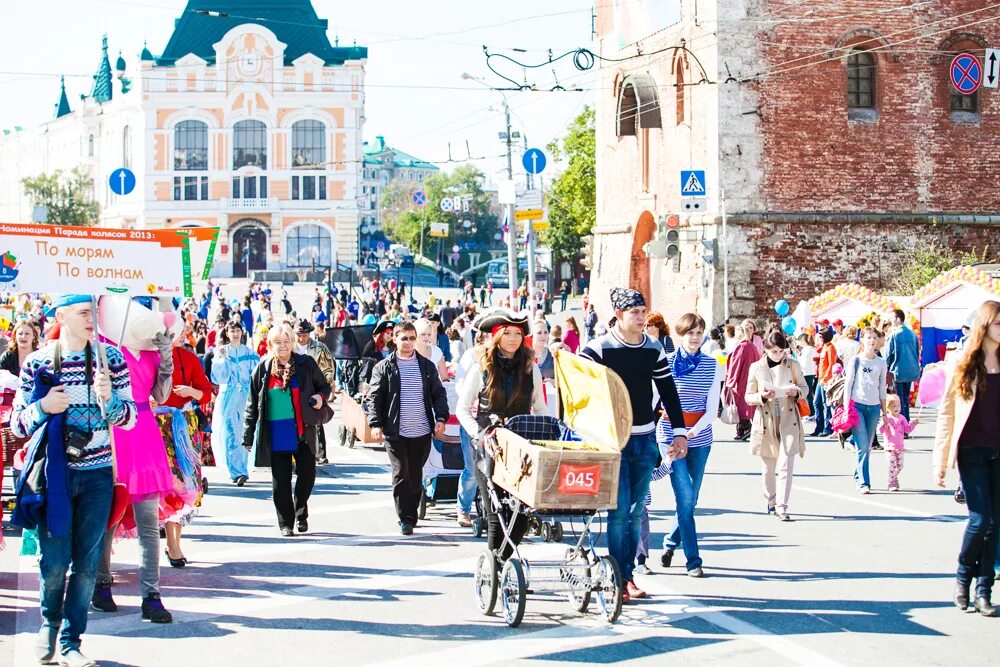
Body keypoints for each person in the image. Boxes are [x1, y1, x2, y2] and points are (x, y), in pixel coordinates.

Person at [10, 294, 137, 667]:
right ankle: (48, 625)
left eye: (94, 314)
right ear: (61, 316)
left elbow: (129, 418)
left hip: (98, 475)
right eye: (83, 313)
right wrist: (42, 407)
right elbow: (17, 423)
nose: (91, 320)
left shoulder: (111, 360)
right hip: (55, 477)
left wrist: (109, 401)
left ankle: (70, 640)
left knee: (86, 563)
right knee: (53, 562)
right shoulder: (37, 363)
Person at [580, 288, 688, 603]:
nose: (641, 318)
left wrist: (679, 431)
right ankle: (617, 577)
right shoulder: (598, 349)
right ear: (618, 314)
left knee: (637, 510)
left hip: (644, 439)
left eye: (643, 311)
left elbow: (668, 390)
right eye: (634, 313)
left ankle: (627, 576)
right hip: (613, 442)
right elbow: (582, 393)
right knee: (618, 512)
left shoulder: (653, 348)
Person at [456, 310, 546, 557]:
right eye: (507, 333)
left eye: (518, 334)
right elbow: (462, 409)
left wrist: (544, 438)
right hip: (489, 450)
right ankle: (496, 565)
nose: (513, 338)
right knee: (497, 515)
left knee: (521, 517)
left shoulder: (531, 369)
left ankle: (506, 563)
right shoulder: (481, 368)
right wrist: (479, 434)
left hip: (521, 450)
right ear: (496, 337)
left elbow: (540, 409)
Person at [933, 300, 1000, 616]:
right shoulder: (964, 363)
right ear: (984, 327)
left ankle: (984, 591)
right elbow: (946, 412)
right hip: (972, 451)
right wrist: (940, 462)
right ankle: (963, 577)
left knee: (996, 523)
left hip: (998, 451)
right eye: (999, 324)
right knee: (980, 519)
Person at [242, 323, 331, 536]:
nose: (283, 346)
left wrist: (320, 397)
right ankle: (285, 523)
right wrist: (248, 435)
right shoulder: (262, 369)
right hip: (277, 433)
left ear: (292, 342)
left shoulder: (306, 364)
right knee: (281, 481)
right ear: (271, 345)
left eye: (286, 341)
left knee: (307, 475)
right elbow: (251, 404)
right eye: (278, 342)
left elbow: (324, 386)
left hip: (303, 430)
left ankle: (301, 512)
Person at [365, 322, 449, 535]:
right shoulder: (384, 367)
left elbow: (438, 394)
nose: (409, 343)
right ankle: (406, 518)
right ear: (395, 338)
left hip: (421, 430)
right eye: (404, 338)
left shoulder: (426, 366)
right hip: (395, 431)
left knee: (414, 473)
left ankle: (411, 511)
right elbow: (373, 397)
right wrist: (375, 424)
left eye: (412, 338)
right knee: (401, 473)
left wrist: (440, 417)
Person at [656, 313, 723, 577]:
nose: (694, 338)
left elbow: (711, 408)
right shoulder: (666, 364)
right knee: (683, 495)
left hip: (700, 436)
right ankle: (693, 560)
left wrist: (691, 433)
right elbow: (656, 402)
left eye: (699, 333)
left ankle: (671, 542)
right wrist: (677, 433)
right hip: (669, 436)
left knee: (691, 500)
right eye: (690, 333)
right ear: (680, 335)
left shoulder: (712, 365)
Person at [157, 333, 213, 567]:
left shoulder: (188, 358)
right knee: (168, 484)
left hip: (184, 426)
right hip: (156, 424)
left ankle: (175, 542)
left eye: (178, 332)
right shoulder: (152, 358)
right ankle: (172, 543)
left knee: (185, 483)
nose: (176, 337)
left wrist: (190, 392)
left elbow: (206, 393)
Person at [744, 331, 809, 521]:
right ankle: (771, 500)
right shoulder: (756, 367)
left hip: (789, 419)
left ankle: (782, 506)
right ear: (765, 349)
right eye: (774, 351)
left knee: (786, 465)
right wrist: (761, 396)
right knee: (768, 468)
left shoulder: (793, 365)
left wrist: (794, 392)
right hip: (766, 420)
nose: (778, 355)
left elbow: (805, 388)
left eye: (781, 351)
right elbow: (748, 396)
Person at [211, 321, 259, 486]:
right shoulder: (222, 352)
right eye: (232, 330)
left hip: (246, 398)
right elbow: (217, 378)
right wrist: (223, 360)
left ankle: (243, 468)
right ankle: (236, 472)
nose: (236, 333)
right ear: (227, 333)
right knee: (231, 432)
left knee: (246, 432)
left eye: (238, 330)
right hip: (229, 398)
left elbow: (257, 377)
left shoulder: (250, 354)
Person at [843, 327, 889, 493]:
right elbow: (848, 386)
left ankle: (858, 473)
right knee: (862, 445)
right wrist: (847, 408)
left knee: (867, 445)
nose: (872, 341)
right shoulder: (855, 361)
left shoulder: (881, 362)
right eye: (868, 337)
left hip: (874, 407)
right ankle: (864, 482)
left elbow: (882, 388)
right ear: (862, 340)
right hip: (857, 406)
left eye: (874, 338)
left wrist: (884, 413)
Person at [295, 319, 335, 465]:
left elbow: (328, 367)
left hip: (315, 386)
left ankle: (320, 453)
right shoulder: (291, 347)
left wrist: (327, 386)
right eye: (299, 334)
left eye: (304, 335)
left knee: (317, 419)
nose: (301, 338)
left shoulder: (320, 348)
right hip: (295, 387)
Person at [724, 321, 761, 441]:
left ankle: (747, 428)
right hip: (749, 379)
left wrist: (731, 380)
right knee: (742, 405)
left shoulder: (742, 346)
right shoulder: (752, 346)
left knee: (739, 406)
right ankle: (740, 430)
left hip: (741, 380)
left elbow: (736, 365)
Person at [886, 309, 920, 423]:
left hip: (898, 370)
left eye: (892, 319)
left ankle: (902, 424)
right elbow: (917, 352)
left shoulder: (894, 335)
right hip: (911, 370)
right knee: (905, 398)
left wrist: (885, 369)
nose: (891, 321)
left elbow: (888, 354)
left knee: (898, 399)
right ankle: (906, 424)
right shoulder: (913, 334)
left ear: (898, 319)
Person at [879, 394, 917, 492]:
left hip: (900, 447)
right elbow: (881, 430)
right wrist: (884, 424)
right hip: (889, 447)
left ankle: (894, 478)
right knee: (892, 465)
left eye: (898, 405)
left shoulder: (902, 418)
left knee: (900, 466)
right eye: (893, 406)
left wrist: (913, 424)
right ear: (888, 408)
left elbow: (907, 430)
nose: (897, 408)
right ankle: (891, 483)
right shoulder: (887, 418)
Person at [812, 329, 838, 437]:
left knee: (825, 404)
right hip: (820, 378)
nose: (819, 339)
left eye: (821, 337)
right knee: (816, 402)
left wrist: (826, 378)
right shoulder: (824, 347)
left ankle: (827, 428)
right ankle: (819, 427)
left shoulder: (831, 348)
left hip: (825, 380)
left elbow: (832, 364)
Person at [414, 318, 448, 382]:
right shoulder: (408, 352)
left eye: (429, 334)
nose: (427, 337)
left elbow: (445, 378)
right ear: (415, 334)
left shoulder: (437, 351)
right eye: (423, 334)